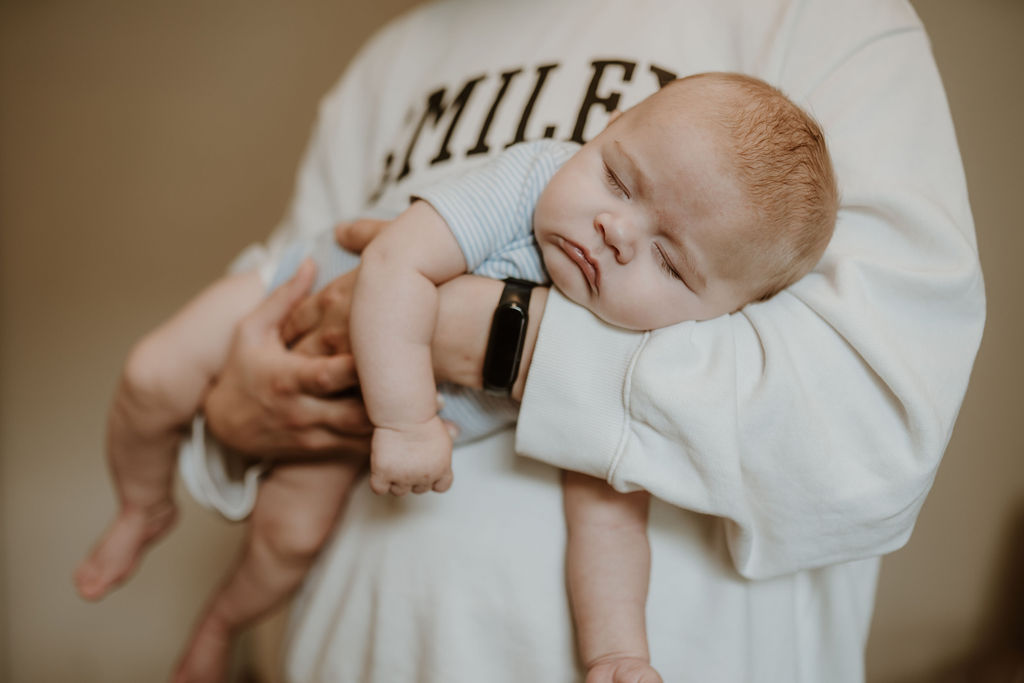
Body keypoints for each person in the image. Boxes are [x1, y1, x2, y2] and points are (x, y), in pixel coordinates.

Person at [99, 0, 984, 680]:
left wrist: (617, 652)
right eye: (614, 176)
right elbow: (340, 287)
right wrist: (236, 416)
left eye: (672, 264)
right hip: (340, 610)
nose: (611, 231)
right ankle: (160, 537)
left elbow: (872, 438)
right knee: (159, 380)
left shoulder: (829, 18)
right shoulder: (408, 64)